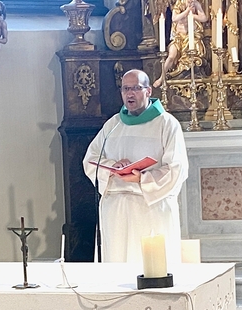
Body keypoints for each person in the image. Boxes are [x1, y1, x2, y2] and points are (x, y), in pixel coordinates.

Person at [83, 69, 189, 265]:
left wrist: (142, 178)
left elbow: (177, 169)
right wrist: (113, 166)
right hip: (115, 210)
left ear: (148, 91)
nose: (129, 94)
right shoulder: (113, 125)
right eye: (125, 89)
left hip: (150, 208)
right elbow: (90, 160)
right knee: (117, 266)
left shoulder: (166, 124)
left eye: (136, 88)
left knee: (150, 267)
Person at [153, 0, 209, 88]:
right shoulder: (179, 3)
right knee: (171, 56)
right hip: (178, 37)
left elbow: (204, 18)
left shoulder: (196, 4)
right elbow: (174, 18)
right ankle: (161, 78)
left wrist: (193, 15)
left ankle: (192, 75)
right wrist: (187, 11)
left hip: (191, 37)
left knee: (194, 52)